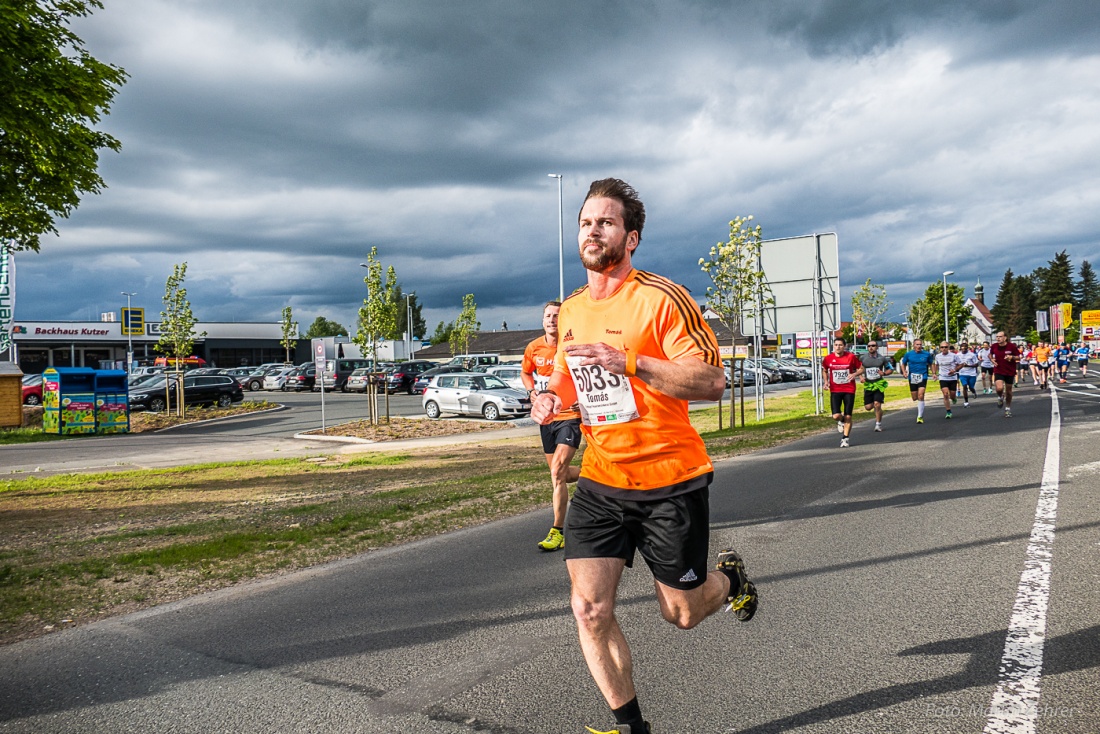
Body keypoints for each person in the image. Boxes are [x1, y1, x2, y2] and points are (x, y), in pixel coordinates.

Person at [530, 178, 755, 734]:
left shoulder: (661, 298)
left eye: (605, 223)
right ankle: (632, 727)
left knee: (680, 613)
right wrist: (545, 398)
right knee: (588, 609)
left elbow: (711, 381)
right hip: (603, 480)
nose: (592, 231)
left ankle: (730, 582)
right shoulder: (574, 310)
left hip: (670, 480)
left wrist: (630, 362)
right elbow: (563, 381)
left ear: (631, 238)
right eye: (585, 222)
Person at [522, 300, 582, 551]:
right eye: (548, 316)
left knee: (557, 471)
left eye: (557, 316)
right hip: (547, 420)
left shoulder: (572, 346)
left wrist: (582, 399)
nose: (551, 320)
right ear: (542, 319)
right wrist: (532, 392)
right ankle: (601, 472)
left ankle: (557, 532)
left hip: (569, 417)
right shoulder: (533, 347)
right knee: (561, 475)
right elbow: (526, 372)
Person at [823, 337, 863, 446]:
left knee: (848, 416)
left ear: (844, 346)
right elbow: (825, 370)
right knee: (836, 416)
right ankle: (841, 421)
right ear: (833, 346)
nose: (838, 347)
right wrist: (826, 382)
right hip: (835, 390)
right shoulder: (828, 358)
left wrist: (854, 374)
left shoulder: (850, 357)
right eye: (836, 345)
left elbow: (861, 368)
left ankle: (845, 438)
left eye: (840, 345)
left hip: (849, 389)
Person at [859, 340, 893, 431]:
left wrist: (884, 373)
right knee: (868, 407)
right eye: (869, 346)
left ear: (877, 347)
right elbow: (859, 369)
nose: (871, 347)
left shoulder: (882, 358)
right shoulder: (863, 358)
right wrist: (861, 377)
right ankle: (877, 409)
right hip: (868, 384)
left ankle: (878, 424)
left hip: (878, 384)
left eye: (873, 345)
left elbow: (890, 369)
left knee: (877, 404)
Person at [899, 339, 933, 423]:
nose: (919, 346)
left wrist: (934, 373)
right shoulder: (909, 354)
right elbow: (903, 363)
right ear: (913, 345)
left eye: (920, 344)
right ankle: (919, 404)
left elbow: (931, 364)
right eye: (917, 344)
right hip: (912, 377)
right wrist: (904, 372)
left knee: (921, 395)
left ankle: (920, 416)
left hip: (923, 376)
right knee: (915, 398)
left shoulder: (926, 354)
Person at [989, 331, 1021, 417]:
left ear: (1005, 338)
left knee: (1009, 391)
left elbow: (1018, 357)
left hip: (1009, 370)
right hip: (998, 369)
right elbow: (990, 354)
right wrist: (991, 359)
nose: (998, 338)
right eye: (997, 337)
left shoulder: (1011, 346)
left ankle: (1007, 408)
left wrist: (1012, 357)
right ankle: (1000, 397)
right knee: (999, 388)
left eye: (1000, 336)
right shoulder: (994, 346)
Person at [933, 342, 963, 418]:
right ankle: (948, 411)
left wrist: (954, 370)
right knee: (945, 394)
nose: (944, 349)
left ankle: (953, 398)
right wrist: (934, 373)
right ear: (940, 348)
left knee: (952, 395)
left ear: (948, 347)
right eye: (942, 347)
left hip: (952, 377)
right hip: (943, 377)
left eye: (946, 347)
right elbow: (936, 365)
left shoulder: (954, 356)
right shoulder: (937, 356)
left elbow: (961, 364)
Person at [956, 341, 980, 406]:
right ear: (960, 348)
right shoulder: (957, 355)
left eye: (965, 348)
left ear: (967, 348)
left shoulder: (972, 355)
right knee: (964, 386)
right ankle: (966, 402)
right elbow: (955, 363)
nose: (963, 349)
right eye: (962, 348)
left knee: (971, 387)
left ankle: (973, 391)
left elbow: (976, 364)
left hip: (971, 374)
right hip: (962, 373)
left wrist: (968, 366)